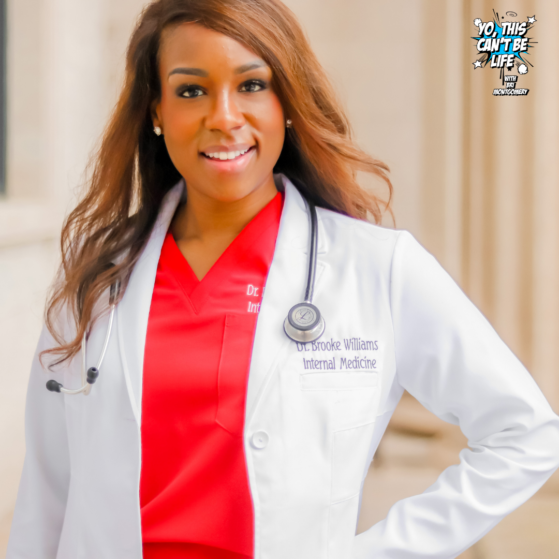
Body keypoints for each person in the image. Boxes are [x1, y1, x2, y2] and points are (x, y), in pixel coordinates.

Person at [7, 0, 559, 558]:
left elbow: (525, 434)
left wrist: (378, 552)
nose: (223, 116)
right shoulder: (97, 276)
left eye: (252, 85)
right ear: (156, 111)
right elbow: (47, 497)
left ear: (286, 103)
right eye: (191, 90)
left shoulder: (375, 268)